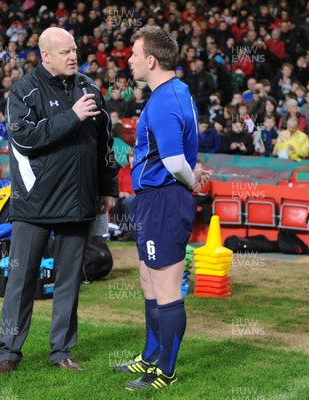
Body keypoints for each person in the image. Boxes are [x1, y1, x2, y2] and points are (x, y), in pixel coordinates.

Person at [0, 27, 118, 374]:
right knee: (20, 281)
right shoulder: (23, 91)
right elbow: (24, 138)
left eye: (75, 50)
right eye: (65, 51)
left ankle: (61, 351)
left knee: (68, 282)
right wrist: (73, 116)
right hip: (34, 205)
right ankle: (8, 352)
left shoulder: (91, 90)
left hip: (78, 203)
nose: (73, 56)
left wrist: (108, 188)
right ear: (45, 55)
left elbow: (105, 146)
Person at [114, 25, 210, 391]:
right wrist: (193, 170)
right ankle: (151, 355)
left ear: (151, 60)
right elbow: (180, 152)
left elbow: (172, 161)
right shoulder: (177, 91)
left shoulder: (165, 100)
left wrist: (190, 178)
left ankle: (164, 371)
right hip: (155, 199)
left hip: (165, 200)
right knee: (148, 281)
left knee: (166, 288)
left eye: (134, 54)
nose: (129, 60)